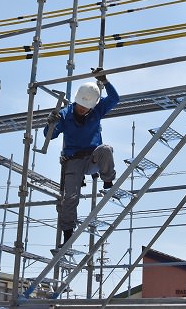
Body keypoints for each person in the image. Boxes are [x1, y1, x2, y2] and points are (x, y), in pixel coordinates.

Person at [44, 68, 118, 246]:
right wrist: (51, 123)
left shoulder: (96, 111)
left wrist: (105, 82)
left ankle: (107, 181)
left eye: (87, 108)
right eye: (81, 106)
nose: (83, 109)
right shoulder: (65, 114)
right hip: (73, 160)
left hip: (93, 157)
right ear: (76, 101)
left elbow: (115, 99)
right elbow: (49, 135)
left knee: (106, 149)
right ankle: (68, 234)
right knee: (70, 198)